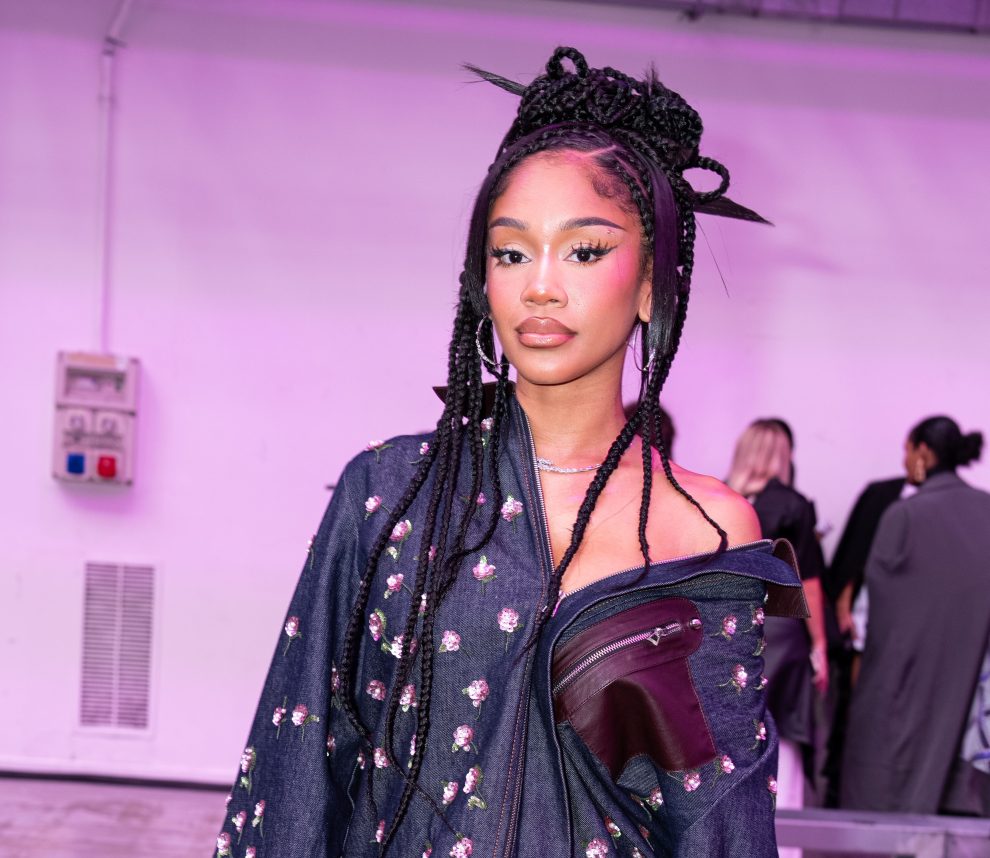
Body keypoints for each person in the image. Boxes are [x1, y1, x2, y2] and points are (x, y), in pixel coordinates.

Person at [215, 47, 806, 858]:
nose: (540, 286)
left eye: (585, 251)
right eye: (511, 252)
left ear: (651, 284)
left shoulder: (707, 526)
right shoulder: (389, 494)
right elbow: (296, 770)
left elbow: (718, 821)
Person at [841, 416, 990, 815]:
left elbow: (877, 620)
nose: (904, 460)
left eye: (906, 450)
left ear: (924, 451)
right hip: (974, 699)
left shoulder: (904, 515)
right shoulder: (986, 509)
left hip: (908, 693)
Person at [726, 420, 828, 843]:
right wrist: (820, 646)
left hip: (728, 628)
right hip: (781, 631)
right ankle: (784, 842)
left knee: (732, 731)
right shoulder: (794, 505)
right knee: (784, 728)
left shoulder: (718, 497)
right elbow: (809, 583)